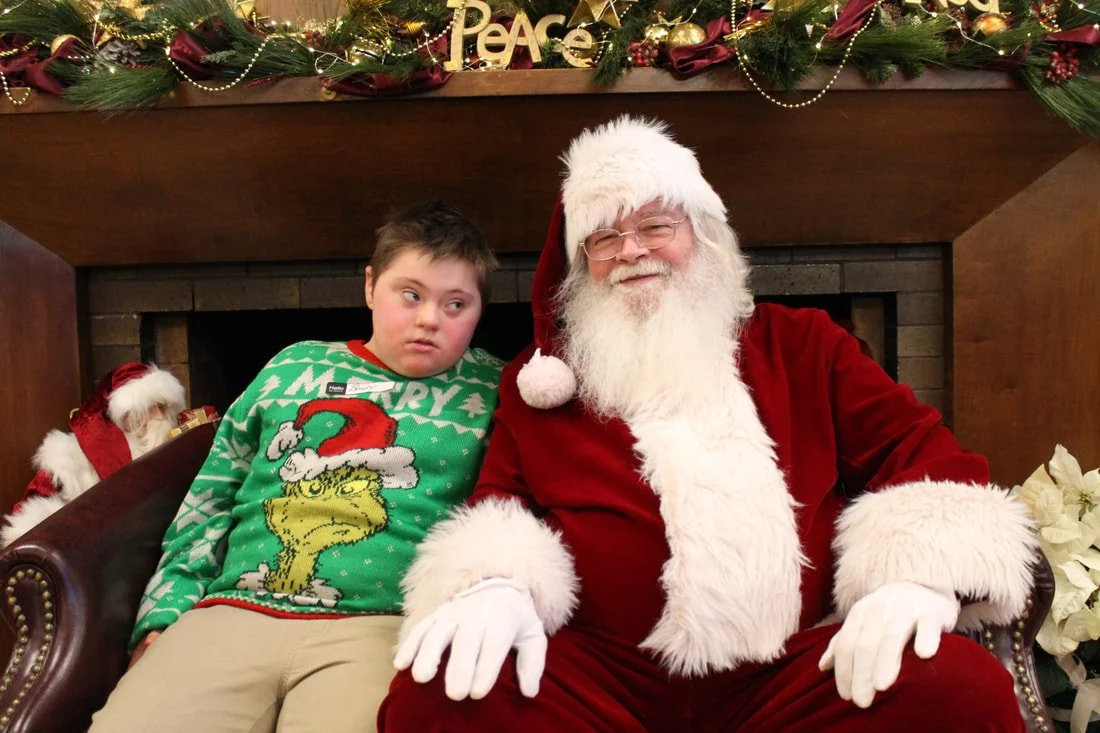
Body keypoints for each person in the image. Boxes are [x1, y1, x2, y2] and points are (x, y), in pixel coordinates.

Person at [380, 117, 1038, 732]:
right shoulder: (542, 381)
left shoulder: (806, 345)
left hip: (795, 672)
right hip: (605, 681)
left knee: (958, 687)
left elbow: (919, 450)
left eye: (655, 226)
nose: (633, 251)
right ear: (582, 265)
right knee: (435, 692)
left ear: (700, 232)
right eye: (605, 238)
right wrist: (497, 584)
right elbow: (502, 502)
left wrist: (913, 576)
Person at [89, 200, 505, 733]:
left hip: (383, 624)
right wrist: (165, 613)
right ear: (370, 286)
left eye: (456, 304)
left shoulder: (496, 389)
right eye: (411, 295)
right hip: (236, 610)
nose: (430, 319)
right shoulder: (292, 365)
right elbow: (212, 495)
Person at [1, 362, 185, 546]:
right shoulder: (70, 458)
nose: (161, 418)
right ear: (126, 415)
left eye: (163, 408)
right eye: (151, 409)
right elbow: (31, 511)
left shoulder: (173, 444)